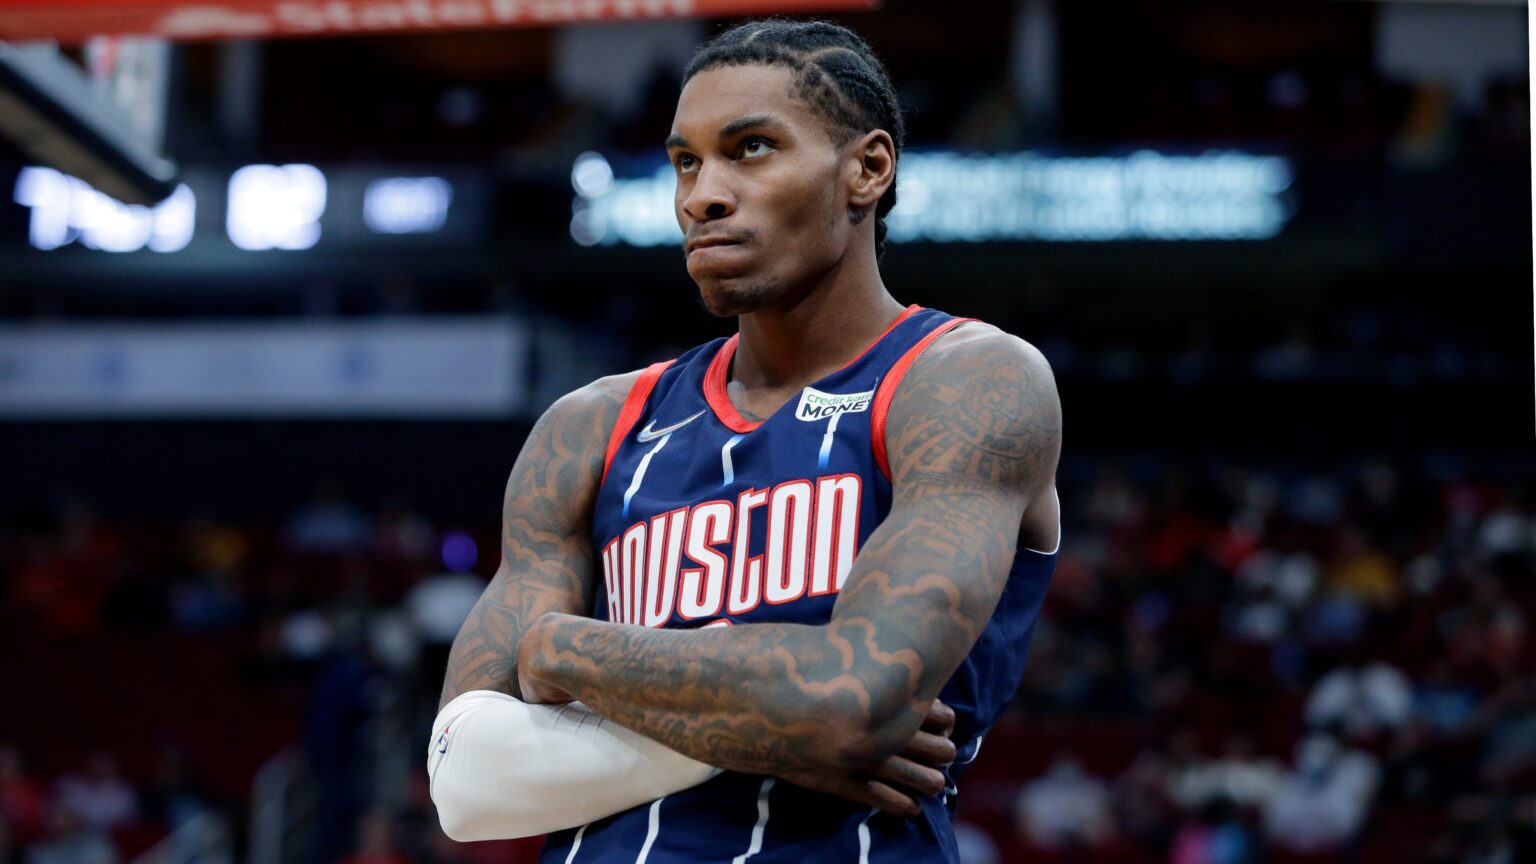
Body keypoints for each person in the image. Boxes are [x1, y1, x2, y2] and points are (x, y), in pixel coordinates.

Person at [428, 19, 1062, 863]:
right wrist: (776, 725)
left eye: (750, 149)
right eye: (686, 162)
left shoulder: (966, 381)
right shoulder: (590, 423)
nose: (703, 196)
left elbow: (852, 707)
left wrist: (558, 647)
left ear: (868, 169)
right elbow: (466, 780)